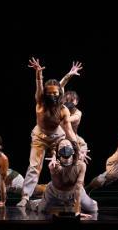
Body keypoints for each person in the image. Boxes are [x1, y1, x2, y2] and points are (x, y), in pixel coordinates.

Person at [17, 57, 83, 207]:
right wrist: (38, 74)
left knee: (67, 160)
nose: (52, 95)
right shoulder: (40, 102)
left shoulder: (63, 109)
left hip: (57, 137)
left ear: (60, 94)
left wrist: (77, 147)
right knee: (34, 167)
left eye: (56, 93)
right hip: (39, 137)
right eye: (50, 93)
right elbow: (40, 88)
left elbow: (68, 131)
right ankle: (26, 197)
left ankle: (70, 193)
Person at [28, 139, 97, 219]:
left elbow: (78, 188)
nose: (65, 148)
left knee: (94, 208)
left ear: (73, 151)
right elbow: (58, 183)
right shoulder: (55, 165)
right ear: (58, 152)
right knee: (41, 210)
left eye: (68, 146)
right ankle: (35, 203)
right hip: (54, 192)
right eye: (62, 147)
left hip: (74, 191)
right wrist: (53, 170)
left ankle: (69, 206)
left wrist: (77, 212)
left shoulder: (81, 165)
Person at [60, 61, 90, 163]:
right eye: (66, 100)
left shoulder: (78, 112)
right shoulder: (61, 107)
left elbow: (70, 119)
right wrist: (69, 74)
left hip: (73, 137)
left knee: (82, 146)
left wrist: (81, 151)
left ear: (76, 102)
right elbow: (60, 87)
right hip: (60, 137)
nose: (68, 102)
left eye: (71, 100)